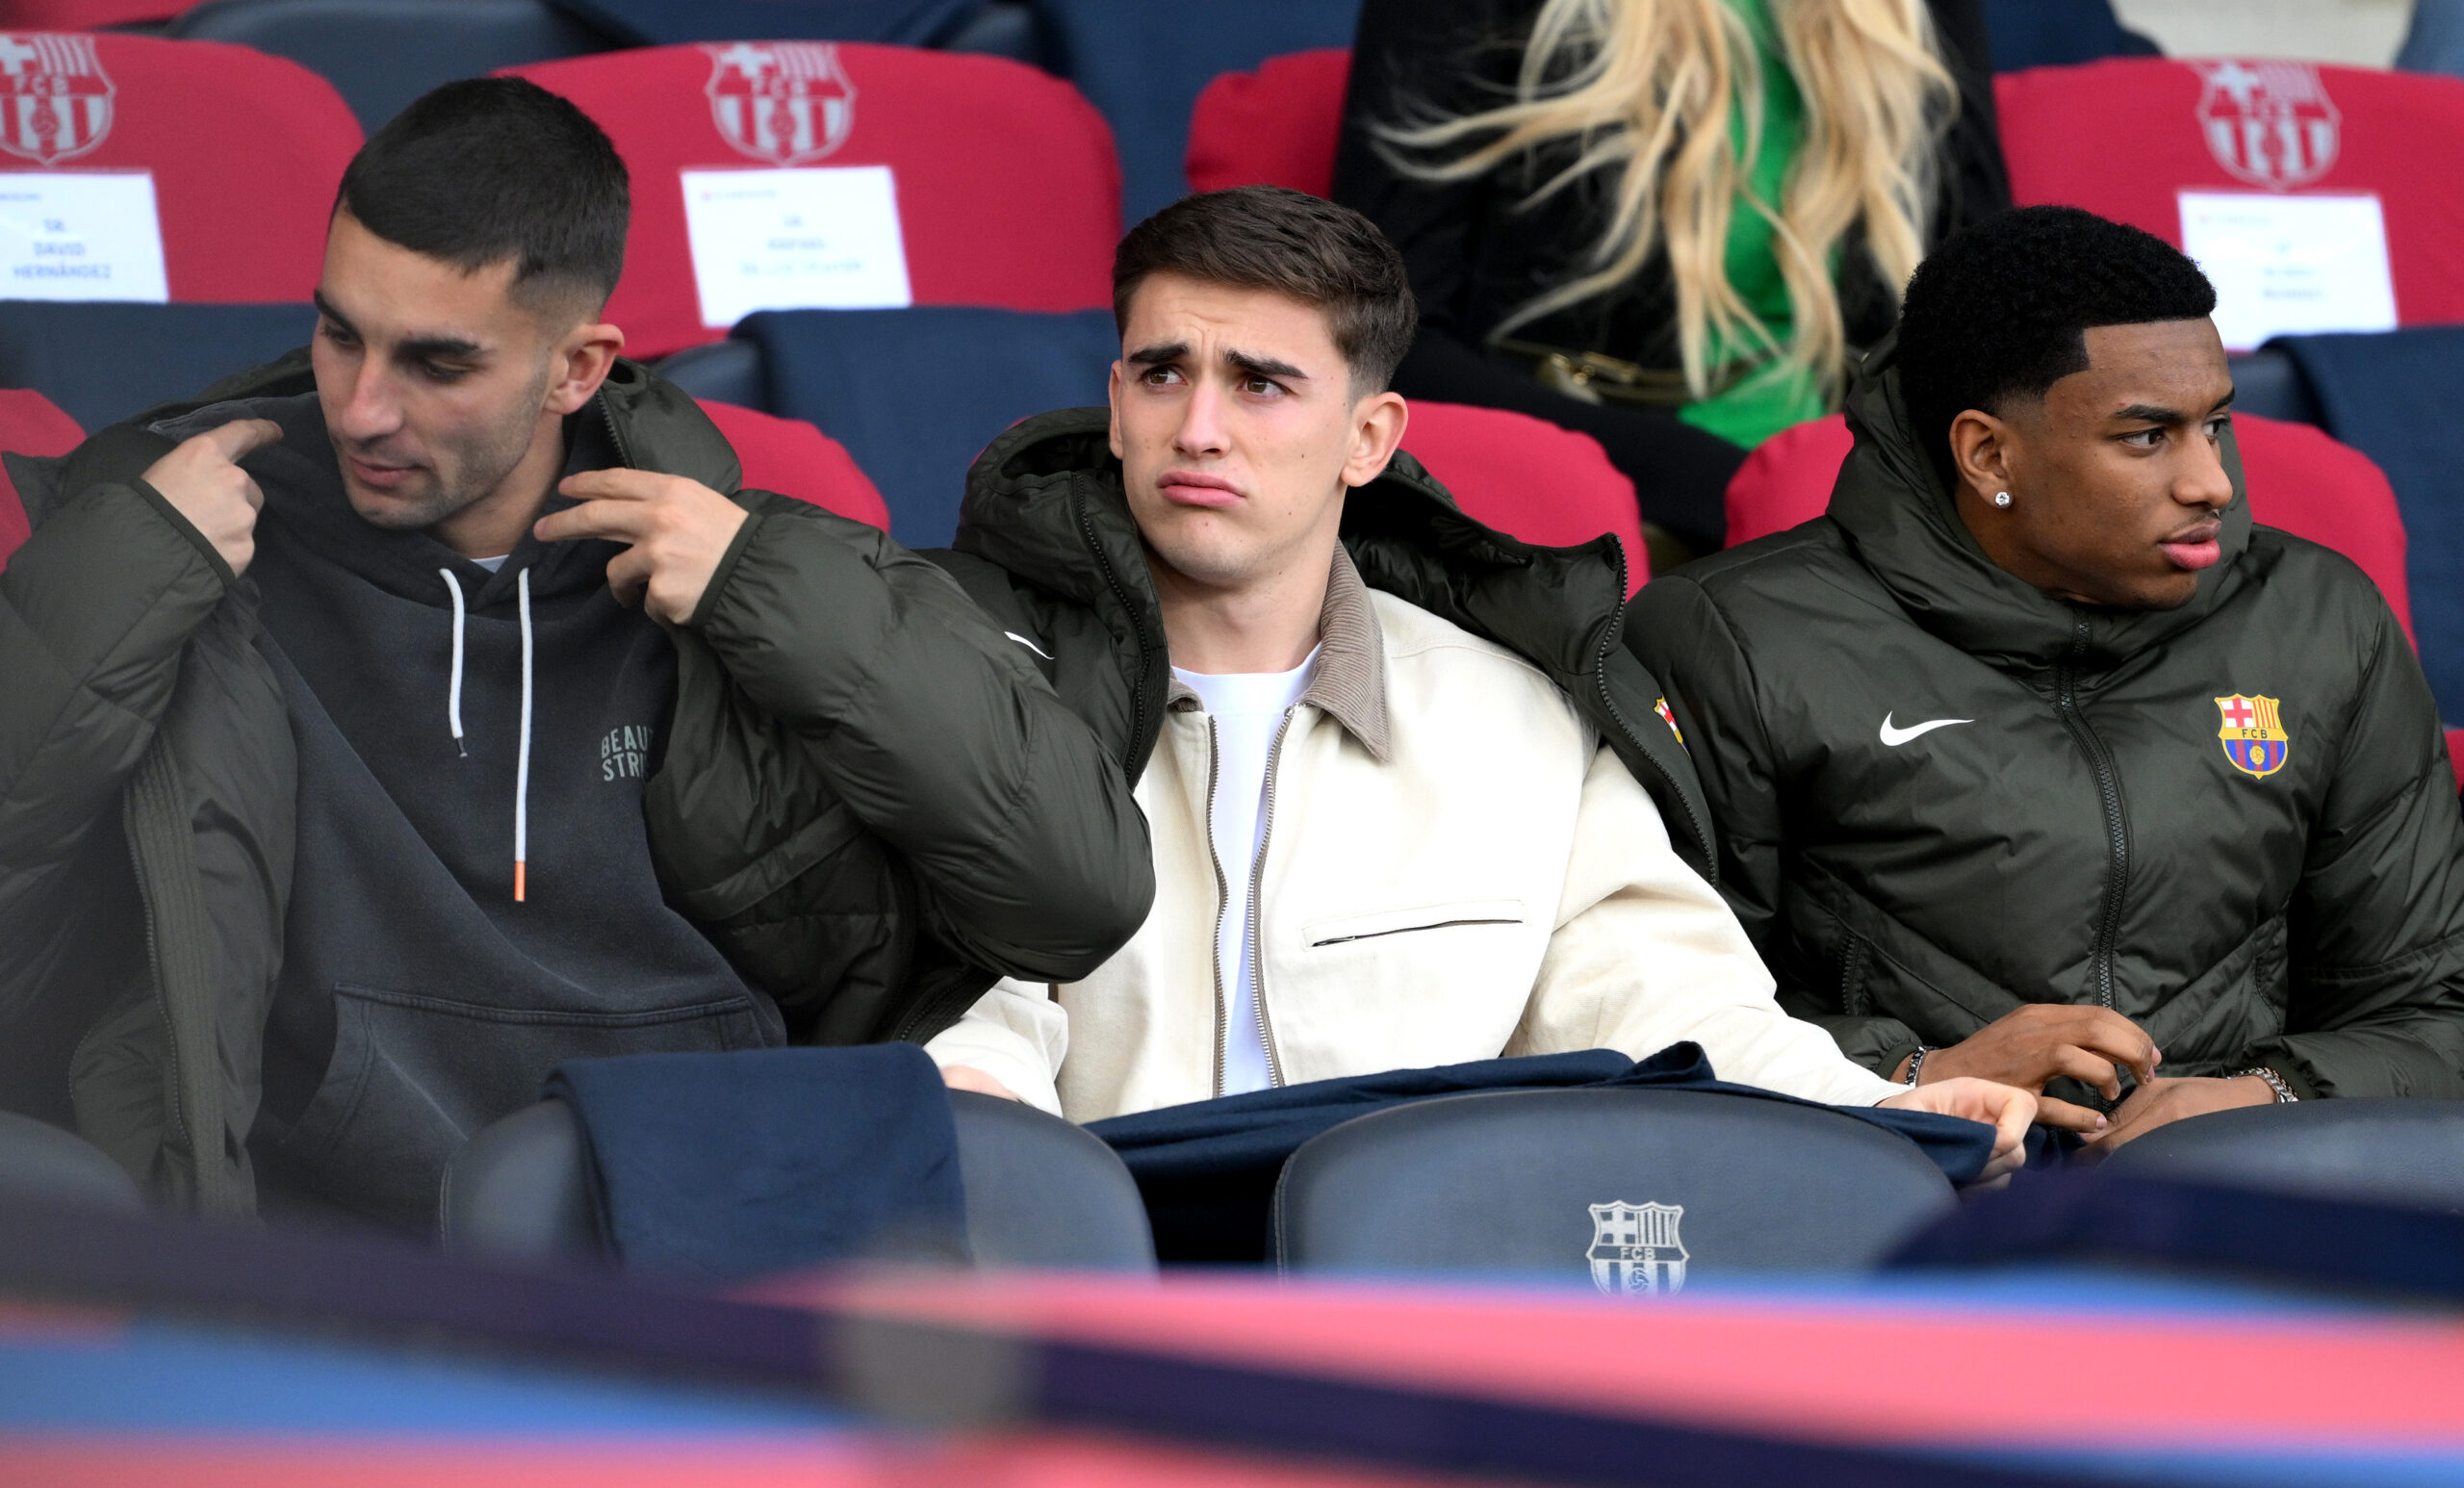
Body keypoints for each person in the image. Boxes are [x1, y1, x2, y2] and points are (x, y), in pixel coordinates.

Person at [0, 79, 1151, 1228]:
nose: (359, 408)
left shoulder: (751, 572)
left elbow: (1075, 891)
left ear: (577, 368)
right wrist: (118, 579)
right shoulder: (177, 542)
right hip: (333, 1257)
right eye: (340, 332)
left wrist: (771, 593)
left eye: (436, 365)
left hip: (698, 1217)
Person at [921, 185, 2032, 1171]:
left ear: (1368, 437)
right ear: (1116, 405)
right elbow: (959, 1014)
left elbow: (1676, 1009)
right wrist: (983, 1135)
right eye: (1164, 374)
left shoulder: (1521, 716)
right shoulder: (977, 686)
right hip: (1099, 1284)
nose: (1198, 428)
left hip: (1420, 1290)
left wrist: (1892, 1108)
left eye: (1261, 384)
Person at [1630, 205, 2464, 1155]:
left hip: (2245, 1201)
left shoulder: (2317, 619)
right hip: (1896, 1182)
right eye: (2147, 437)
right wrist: (1913, 1072)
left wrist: (2268, 1093)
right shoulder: (1735, 637)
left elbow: (2434, 1002)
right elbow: (1645, 999)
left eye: (2215, 424)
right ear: (1989, 454)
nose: (2212, 482)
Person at [1333, 0, 2009, 564]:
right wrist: (1738, 492)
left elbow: (1993, 318)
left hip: (1860, 506)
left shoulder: (1912, 13)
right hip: (1603, 523)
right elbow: (1385, 342)